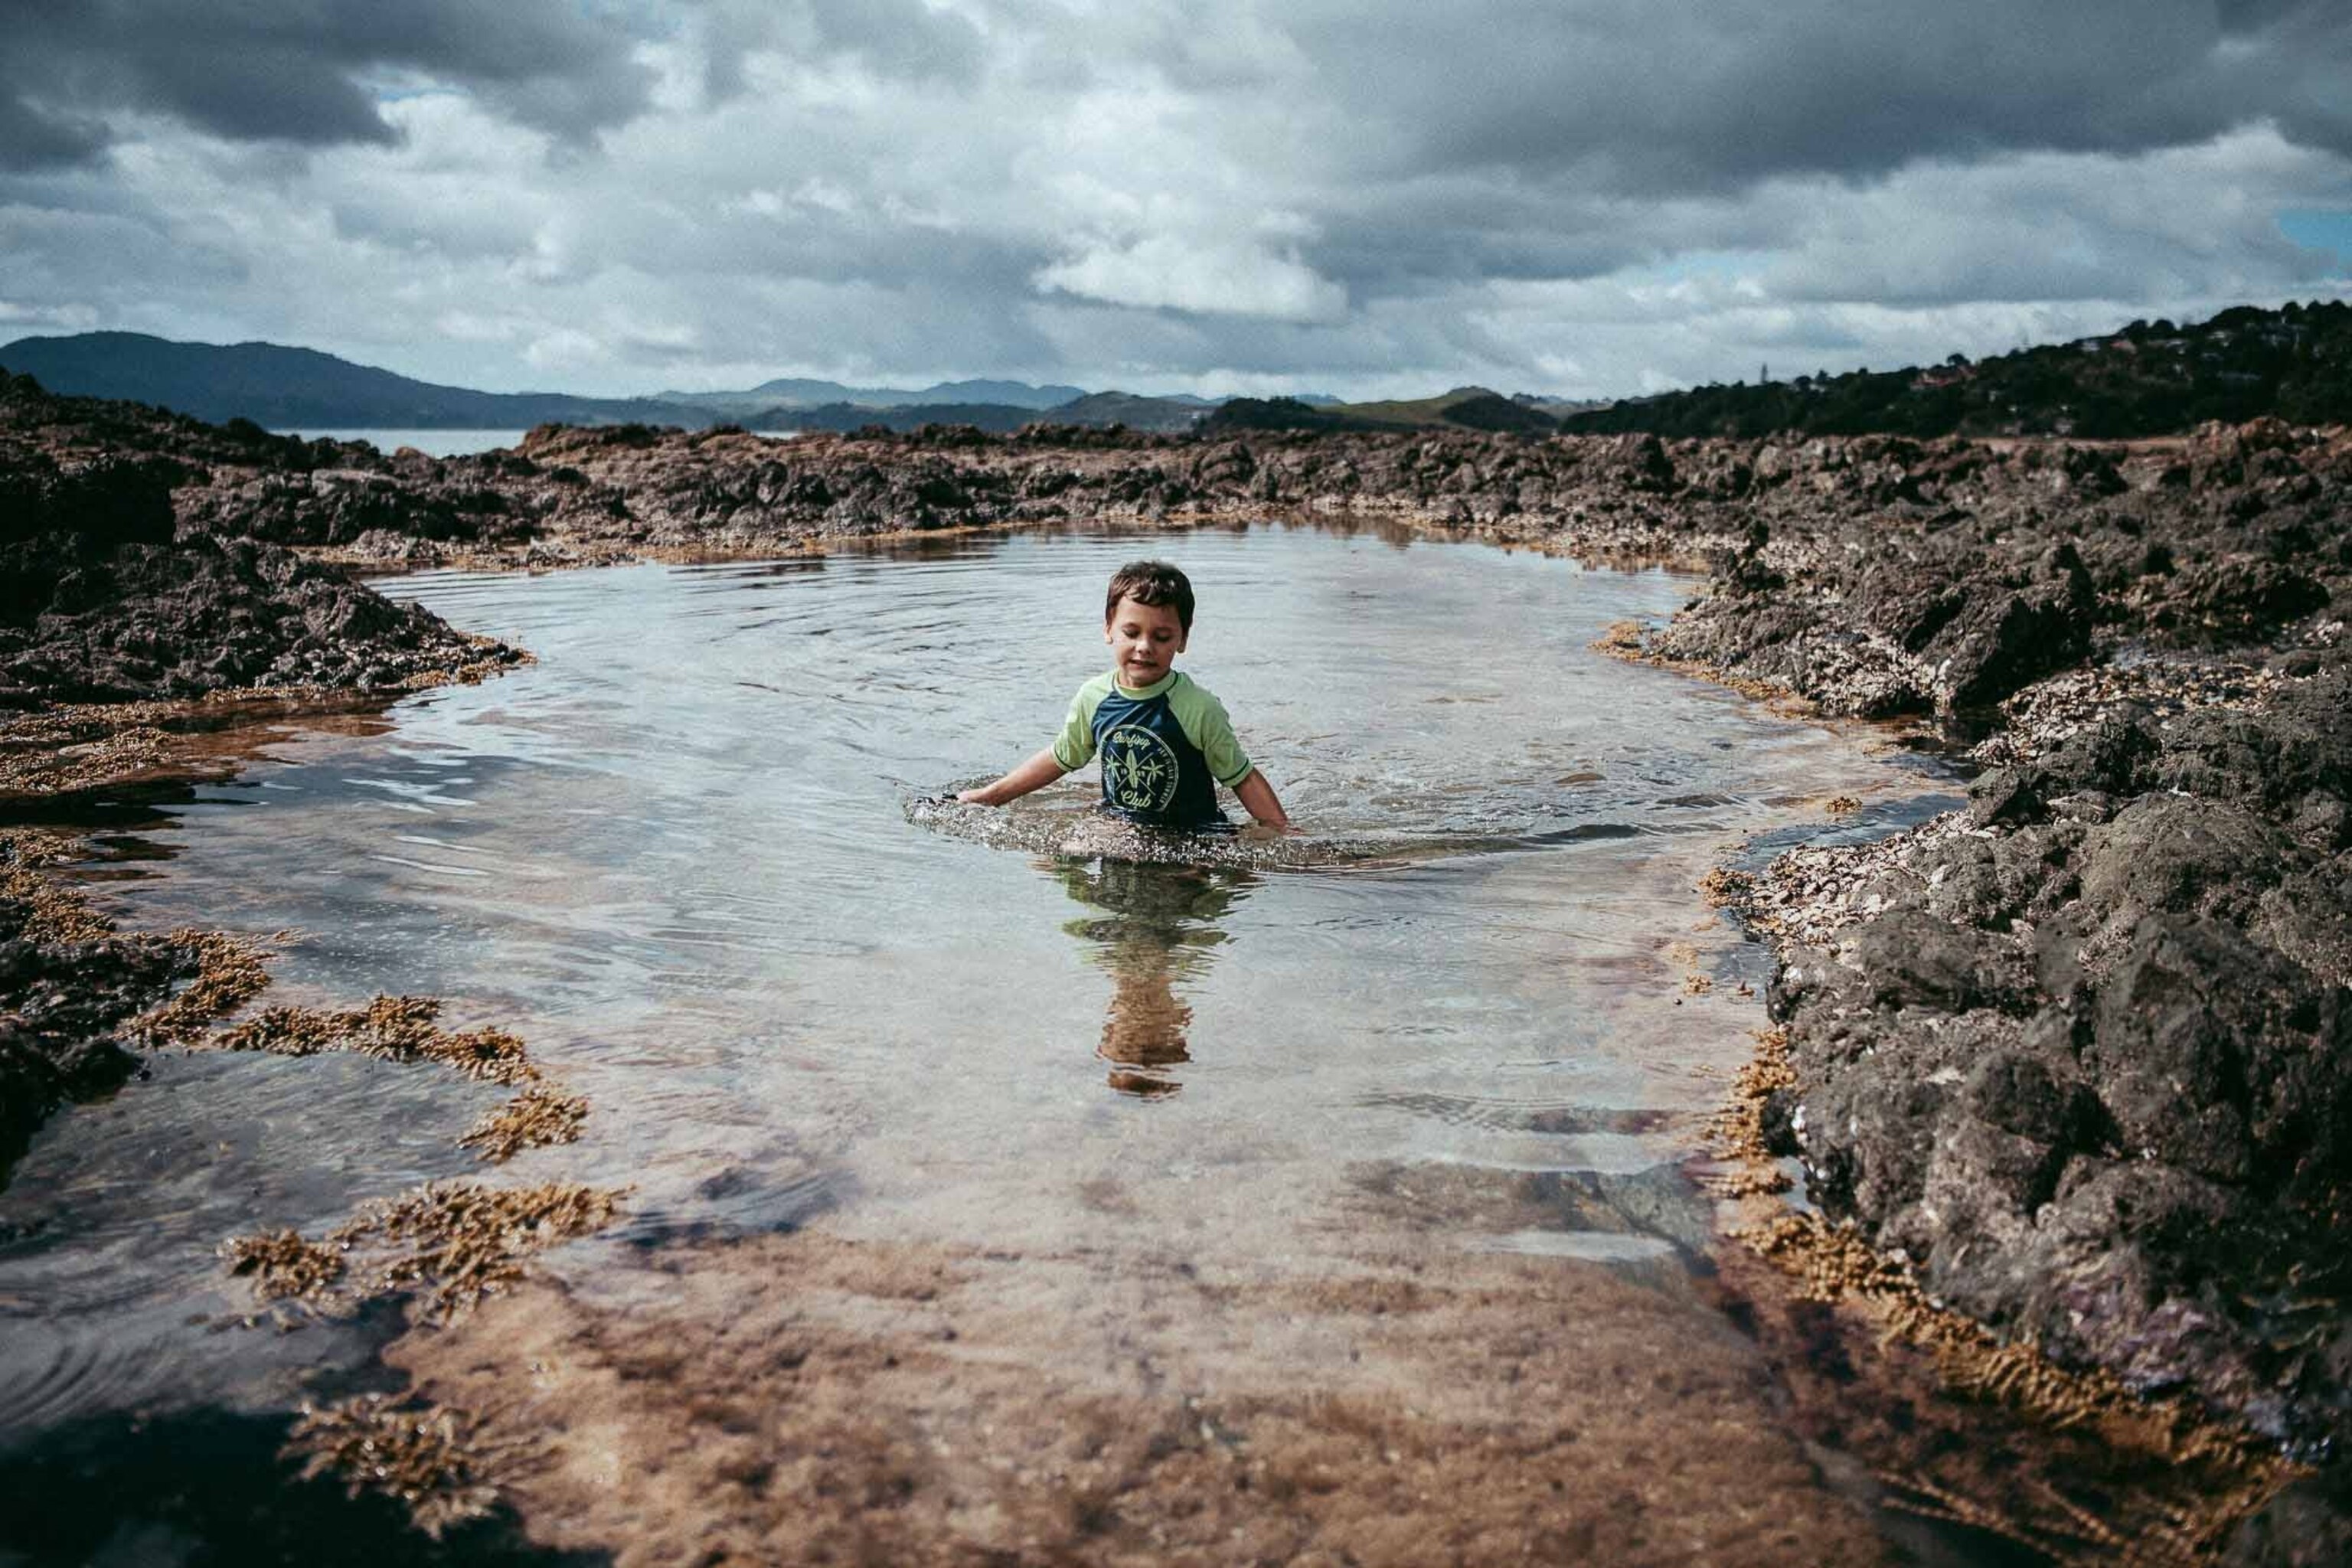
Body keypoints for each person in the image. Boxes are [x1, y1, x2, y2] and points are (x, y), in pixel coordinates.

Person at [957, 560, 1292, 832]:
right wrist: (991, 796)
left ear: (1183, 640)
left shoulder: (1198, 708)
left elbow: (1240, 774)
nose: (1144, 647)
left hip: (1193, 832)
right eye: (1131, 633)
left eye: (1162, 637)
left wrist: (1278, 828)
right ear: (1108, 630)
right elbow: (1061, 756)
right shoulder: (1094, 697)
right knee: (1061, 857)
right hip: (1121, 825)